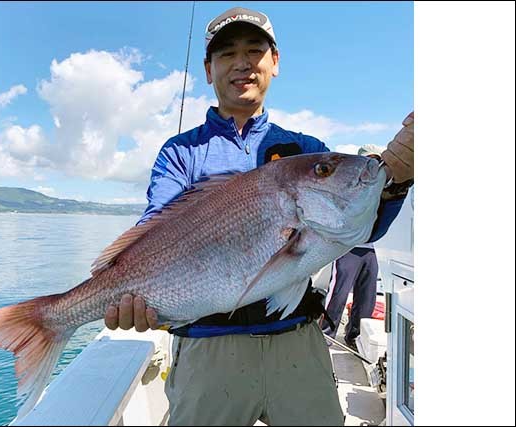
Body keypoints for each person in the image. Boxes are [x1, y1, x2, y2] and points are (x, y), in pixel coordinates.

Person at [104, 6, 414, 426]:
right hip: (208, 352)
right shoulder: (181, 153)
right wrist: (127, 294)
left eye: (255, 50)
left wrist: (395, 180)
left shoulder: (306, 148)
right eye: (227, 54)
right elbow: (155, 229)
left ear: (275, 62)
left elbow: (358, 229)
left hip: (298, 347)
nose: (242, 62)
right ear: (208, 70)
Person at [320, 145, 385, 350]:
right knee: (338, 293)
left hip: (373, 250)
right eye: (367, 161)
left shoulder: (381, 185)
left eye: (376, 161)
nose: (371, 166)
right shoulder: (346, 185)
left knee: (368, 296)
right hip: (348, 248)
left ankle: (355, 336)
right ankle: (325, 336)